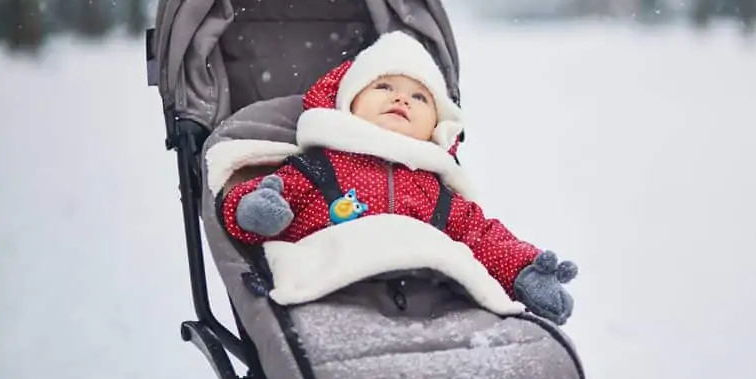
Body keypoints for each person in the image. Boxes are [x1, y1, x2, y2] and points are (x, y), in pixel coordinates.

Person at [218, 30, 578, 325]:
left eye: (419, 96)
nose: (401, 100)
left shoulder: (435, 191)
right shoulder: (318, 168)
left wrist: (524, 270)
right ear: (349, 103)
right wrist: (256, 210)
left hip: (430, 302)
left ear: (435, 126)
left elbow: (480, 237)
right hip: (333, 294)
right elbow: (255, 211)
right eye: (384, 87)